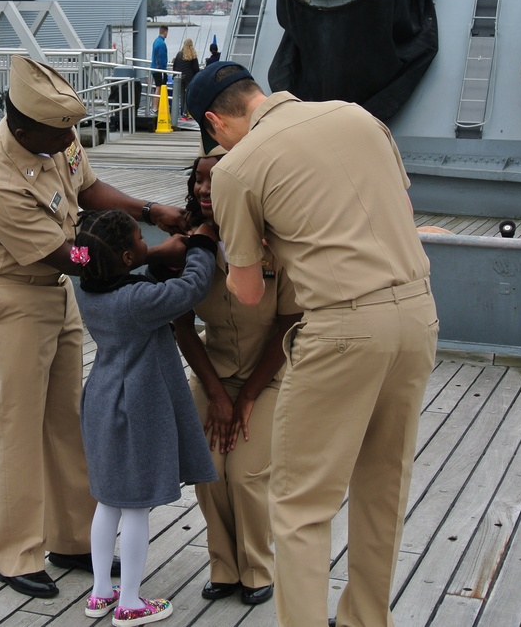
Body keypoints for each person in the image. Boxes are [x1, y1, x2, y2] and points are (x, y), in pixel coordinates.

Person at [186, 61, 439, 627]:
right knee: (383, 484)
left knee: (300, 505)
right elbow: (397, 209)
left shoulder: (237, 167)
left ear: (214, 122)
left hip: (343, 328)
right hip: (418, 314)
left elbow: (248, 293)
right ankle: (367, 619)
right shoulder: (358, 117)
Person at [0, 55, 188, 599]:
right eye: (59, 129)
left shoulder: (53, 140)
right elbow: (73, 256)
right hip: (10, 299)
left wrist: (148, 208)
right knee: (18, 425)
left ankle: (69, 538)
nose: (71, 139)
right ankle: (16, 554)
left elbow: (87, 191)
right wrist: (152, 256)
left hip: (56, 300)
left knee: (67, 419)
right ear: (20, 124)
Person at [72, 209, 219, 626]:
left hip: (102, 401)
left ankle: (101, 592)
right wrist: (202, 244)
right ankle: (131, 602)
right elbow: (190, 288)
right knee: (136, 507)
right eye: (140, 239)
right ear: (123, 257)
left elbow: (133, 276)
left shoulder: (90, 290)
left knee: (108, 502)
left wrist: (153, 259)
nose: (145, 243)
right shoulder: (138, 303)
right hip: (133, 408)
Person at [172, 148, 302, 607]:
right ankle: (223, 566)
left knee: (246, 475)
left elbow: (288, 323)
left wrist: (245, 396)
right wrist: (217, 393)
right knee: (209, 472)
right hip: (212, 372)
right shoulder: (188, 246)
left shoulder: (278, 243)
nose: (204, 190)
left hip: (267, 377)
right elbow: (182, 324)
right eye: (198, 181)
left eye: (215, 181)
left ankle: (257, 568)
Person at [172, 38, 201, 118]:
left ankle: (181, 112)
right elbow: (196, 69)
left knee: (181, 94)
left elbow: (175, 66)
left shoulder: (179, 54)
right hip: (189, 77)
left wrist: (174, 75)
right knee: (187, 95)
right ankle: (185, 112)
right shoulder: (193, 55)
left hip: (179, 77)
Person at [150, 25, 169, 111]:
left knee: (157, 87)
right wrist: (164, 72)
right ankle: (155, 108)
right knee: (159, 87)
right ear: (165, 32)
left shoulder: (156, 41)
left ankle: (156, 107)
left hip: (154, 67)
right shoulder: (162, 44)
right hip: (158, 69)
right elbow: (162, 58)